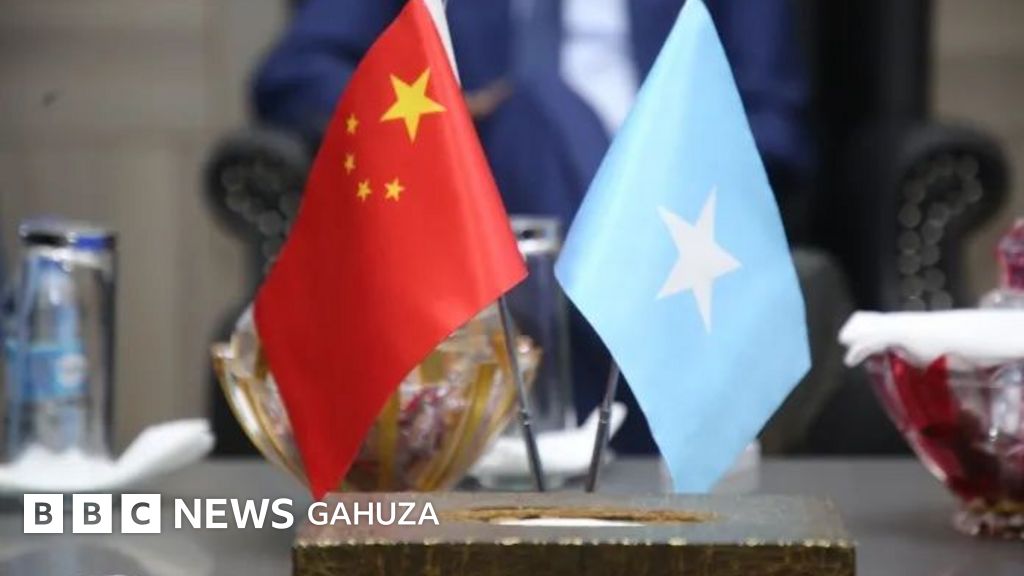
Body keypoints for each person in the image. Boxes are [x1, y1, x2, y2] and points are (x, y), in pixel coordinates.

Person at [253, 0, 812, 454]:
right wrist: (430, 113)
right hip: (475, 194)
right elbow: (300, 71)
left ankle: (560, 400)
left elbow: (772, 114)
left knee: (565, 134)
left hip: (669, 190)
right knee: (534, 110)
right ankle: (665, 356)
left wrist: (685, 173)